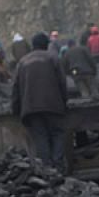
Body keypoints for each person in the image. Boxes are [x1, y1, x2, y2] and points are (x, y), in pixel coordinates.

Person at [13, 32, 71, 170]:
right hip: (53, 104)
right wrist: (64, 101)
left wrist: (16, 109)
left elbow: (15, 88)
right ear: (46, 45)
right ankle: (58, 165)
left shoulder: (22, 62)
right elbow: (62, 82)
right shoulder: (53, 58)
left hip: (31, 107)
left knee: (40, 137)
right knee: (57, 133)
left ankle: (47, 168)